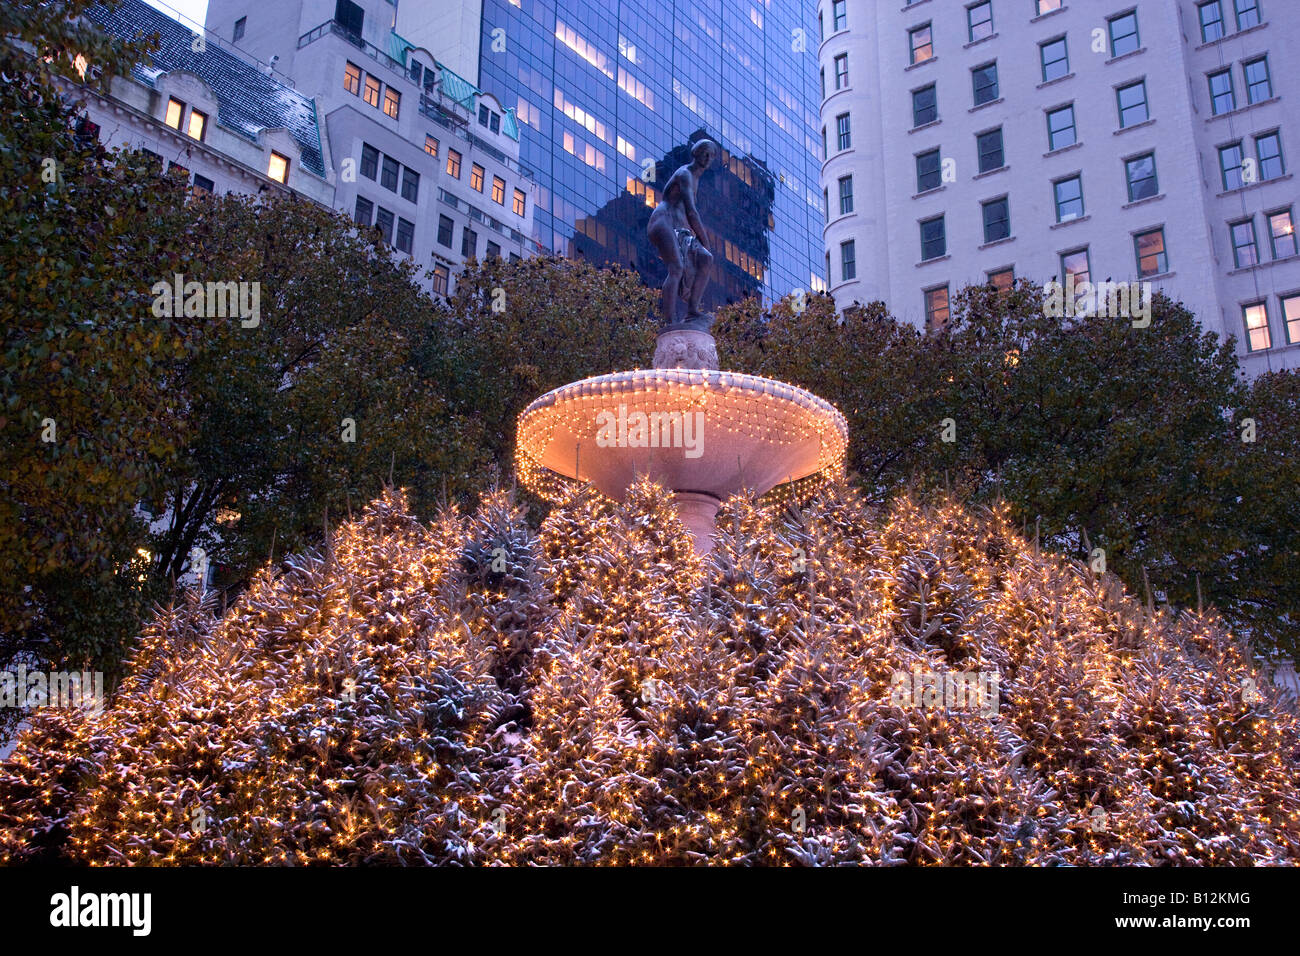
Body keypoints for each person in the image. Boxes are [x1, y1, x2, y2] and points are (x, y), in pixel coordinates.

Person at [647, 138, 718, 327]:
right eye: (705, 152)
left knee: (706, 259)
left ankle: (692, 311)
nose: (707, 157)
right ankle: (669, 322)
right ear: (696, 152)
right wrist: (705, 241)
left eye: (711, 155)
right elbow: (692, 212)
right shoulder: (685, 174)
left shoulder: (696, 179)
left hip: (680, 229)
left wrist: (702, 248)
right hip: (663, 222)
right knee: (676, 267)